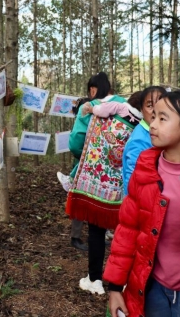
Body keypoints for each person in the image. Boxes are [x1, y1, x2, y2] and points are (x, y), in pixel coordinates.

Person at [104, 91, 180, 317]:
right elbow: (128, 229)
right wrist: (115, 287)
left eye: (162, 118)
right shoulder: (146, 167)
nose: (152, 124)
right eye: (153, 116)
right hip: (152, 288)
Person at [67, 72, 134, 295]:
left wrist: (88, 158)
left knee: (96, 230)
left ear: (94, 89)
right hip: (126, 182)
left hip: (96, 184)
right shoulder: (128, 106)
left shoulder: (90, 106)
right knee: (126, 231)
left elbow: (76, 142)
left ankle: (95, 279)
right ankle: (123, 281)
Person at [57, 97, 91, 251]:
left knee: (94, 202)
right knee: (79, 202)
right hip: (81, 166)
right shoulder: (81, 124)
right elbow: (76, 146)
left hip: (93, 166)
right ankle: (75, 237)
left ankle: (96, 235)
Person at [121, 86, 167, 196]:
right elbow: (132, 182)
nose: (156, 110)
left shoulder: (158, 132)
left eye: (160, 103)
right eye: (150, 106)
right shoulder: (139, 141)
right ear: (141, 110)